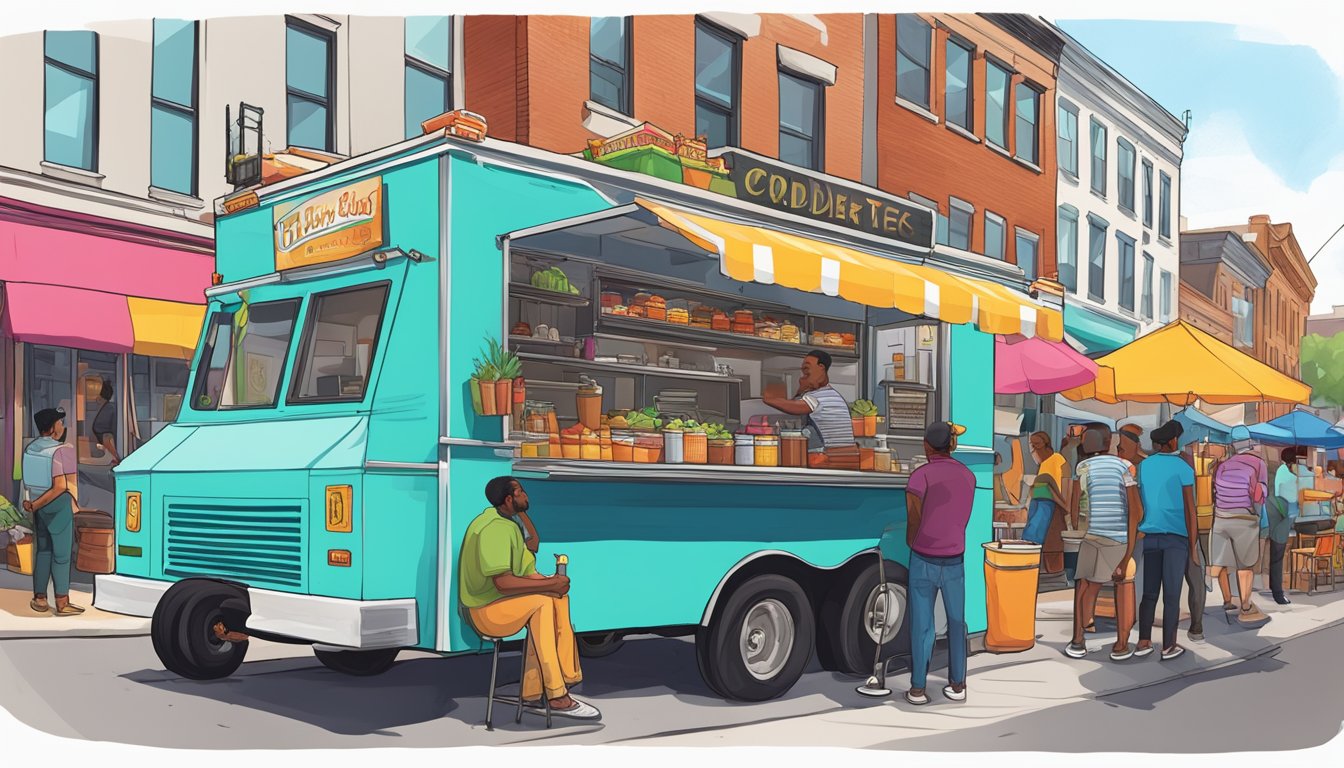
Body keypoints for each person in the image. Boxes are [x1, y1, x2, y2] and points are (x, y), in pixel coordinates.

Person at [458, 476, 599, 720]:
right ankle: (556, 696)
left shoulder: (509, 523)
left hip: (500, 602)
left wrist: (551, 583)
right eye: (521, 492)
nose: (527, 496)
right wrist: (550, 583)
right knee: (541, 604)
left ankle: (537, 689)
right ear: (508, 499)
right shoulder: (493, 528)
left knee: (557, 599)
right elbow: (503, 583)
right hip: (484, 609)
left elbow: (531, 546)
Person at [904, 421, 974, 706]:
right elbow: (963, 517)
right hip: (955, 558)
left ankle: (918, 688)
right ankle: (957, 684)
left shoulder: (920, 477)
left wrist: (914, 541)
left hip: (923, 558)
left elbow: (913, 517)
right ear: (952, 445)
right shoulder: (968, 476)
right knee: (957, 622)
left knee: (923, 624)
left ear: (926, 445)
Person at [1065, 425, 1141, 661]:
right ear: (1108, 444)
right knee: (1123, 584)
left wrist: (1078, 528)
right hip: (1117, 538)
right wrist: (1129, 549)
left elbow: (1075, 505)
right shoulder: (1125, 466)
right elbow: (1135, 510)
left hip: (1091, 536)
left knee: (1084, 585)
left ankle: (1078, 641)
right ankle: (1121, 644)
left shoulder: (1082, 467)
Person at [1134, 421, 1197, 661]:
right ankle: (1169, 645)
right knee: (1172, 594)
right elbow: (1190, 510)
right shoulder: (1183, 468)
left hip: (1150, 536)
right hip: (1176, 538)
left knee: (1149, 592)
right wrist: (1193, 546)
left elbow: (1141, 500)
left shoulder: (1144, 466)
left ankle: (1143, 640)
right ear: (1171, 441)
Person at [20, 407, 84, 616]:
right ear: (52, 427)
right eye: (60, 422)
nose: (62, 426)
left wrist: (33, 505)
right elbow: (60, 487)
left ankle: (39, 599)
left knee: (43, 551)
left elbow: (27, 483)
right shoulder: (63, 450)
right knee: (62, 555)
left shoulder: (30, 449)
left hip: (38, 506)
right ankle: (62, 602)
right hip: (57, 506)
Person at [1209, 426, 1268, 620]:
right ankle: (1245, 605)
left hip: (1221, 517)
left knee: (1223, 562)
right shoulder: (1259, 464)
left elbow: (1215, 494)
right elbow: (1261, 494)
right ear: (1249, 443)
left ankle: (1227, 600)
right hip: (1245, 518)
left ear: (1232, 445)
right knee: (1245, 564)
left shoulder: (1223, 465)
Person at [762, 350, 856, 468]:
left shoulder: (820, 396)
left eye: (807, 368)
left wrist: (768, 400)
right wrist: (801, 391)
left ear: (821, 368)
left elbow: (795, 408)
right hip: (841, 458)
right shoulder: (831, 393)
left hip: (829, 458)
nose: (803, 373)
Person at [1022, 433, 1068, 574]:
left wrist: (1064, 505)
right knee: (1031, 537)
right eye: (1032, 445)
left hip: (1048, 504)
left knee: (1033, 537)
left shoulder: (1057, 459)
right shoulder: (1044, 463)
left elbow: (1057, 488)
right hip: (1040, 502)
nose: (1033, 449)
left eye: (1035, 445)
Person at [1267, 447, 1305, 608]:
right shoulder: (1290, 477)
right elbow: (1294, 501)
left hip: (1274, 513)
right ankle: (1277, 593)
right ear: (1293, 462)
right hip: (1281, 517)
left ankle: (1274, 589)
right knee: (1277, 555)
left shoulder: (1280, 471)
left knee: (1274, 555)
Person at [90, 379, 119, 465]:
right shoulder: (107, 408)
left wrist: (116, 457)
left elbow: (107, 437)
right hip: (106, 451)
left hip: (109, 452)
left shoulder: (109, 409)